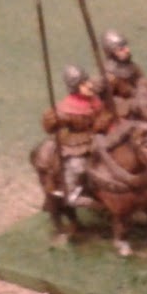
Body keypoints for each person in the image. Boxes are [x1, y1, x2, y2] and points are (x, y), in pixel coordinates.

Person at [41, 65, 112, 206]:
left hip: (99, 136)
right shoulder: (66, 109)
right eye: (83, 84)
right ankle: (85, 199)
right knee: (78, 166)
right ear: (75, 88)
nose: (89, 85)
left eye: (88, 81)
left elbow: (104, 112)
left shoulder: (94, 99)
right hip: (76, 144)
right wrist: (53, 120)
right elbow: (49, 127)